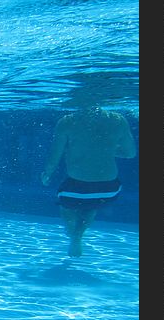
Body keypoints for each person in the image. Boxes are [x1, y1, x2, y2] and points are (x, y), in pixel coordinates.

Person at [41, 103, 136, 257]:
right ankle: (79, 234)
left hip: (75, 188)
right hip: (109, 189)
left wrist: (47, 173)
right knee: (91, 207)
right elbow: (130, 153)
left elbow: (55, 156)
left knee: (67, 208)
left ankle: (74, 235)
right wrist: (105, 149)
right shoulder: (118, 120)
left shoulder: (67, 121)